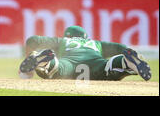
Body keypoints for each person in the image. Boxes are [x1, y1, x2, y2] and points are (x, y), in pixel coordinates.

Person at [19, 25, 152, 82]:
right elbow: (122, 47)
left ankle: (44, 60)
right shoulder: (95, 43)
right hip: (95, 62)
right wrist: (131, 54)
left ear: (68, 35)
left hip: (70, 63)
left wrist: (28, 71)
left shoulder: (63, 40)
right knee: (108, 68)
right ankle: (125, 62)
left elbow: (33, 40)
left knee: (56, 70)